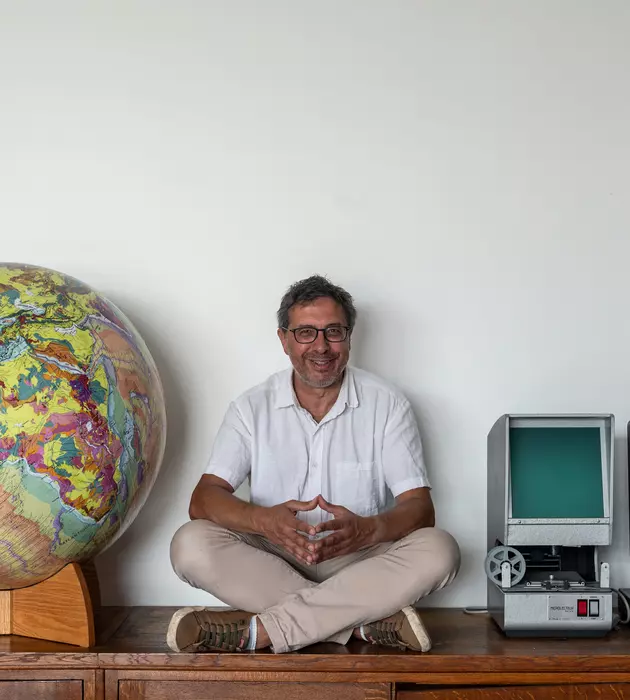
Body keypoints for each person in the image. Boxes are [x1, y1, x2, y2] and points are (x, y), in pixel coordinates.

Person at [168, 275, 460, 654]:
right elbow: (203, 500)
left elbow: (420, 508)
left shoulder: (387, 404)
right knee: (189, 544)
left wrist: (370, 530)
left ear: (349, 337)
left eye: (333, 332)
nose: (321, 347)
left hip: (358, 562)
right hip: (272, 557)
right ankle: (360, 627)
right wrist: (264, 521)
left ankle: (262, 631)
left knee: (440, 549)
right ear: (284, 339)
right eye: (306, 332)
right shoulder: (250, 407)